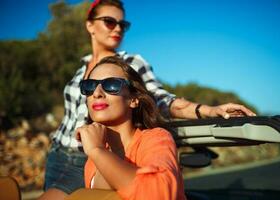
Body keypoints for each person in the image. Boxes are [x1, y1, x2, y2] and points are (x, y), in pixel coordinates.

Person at [39, 0, 256, 199]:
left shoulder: (131, 63)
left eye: (122, 24)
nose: (117, 28)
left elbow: (161, 99)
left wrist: (207, 111)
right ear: (90, 26)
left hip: (87, 154)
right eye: (109, 21)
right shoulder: (80, 70)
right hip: (61, 153)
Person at [76, 56, 186, 199]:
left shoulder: (156, 138)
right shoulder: (92, 161)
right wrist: (97, 152)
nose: (97, 93)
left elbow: (158, 193)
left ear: (133, 100)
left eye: (111, 85)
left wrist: (97, 151)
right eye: (89, 86)